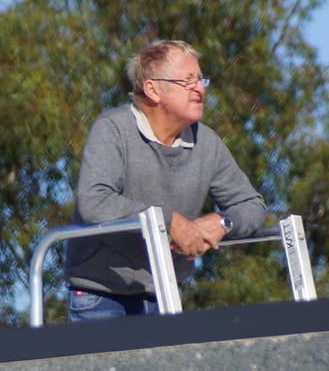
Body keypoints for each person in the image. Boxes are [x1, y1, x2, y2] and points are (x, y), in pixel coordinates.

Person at [65, 40, 267, 320]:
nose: (200, 88)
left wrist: (223, 223)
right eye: (188, 80)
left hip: (166, 295)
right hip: (100, 296)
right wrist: (170, 223)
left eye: (201, 79)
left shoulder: (207, 143)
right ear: (153, 89)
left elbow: (252, 205)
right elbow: (94, 202)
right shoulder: (112, 129)